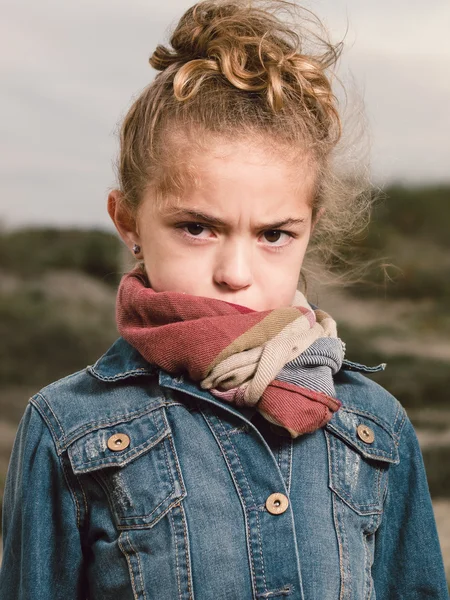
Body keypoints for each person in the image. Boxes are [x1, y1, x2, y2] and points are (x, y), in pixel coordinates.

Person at [0, 0, 448, 598]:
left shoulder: (377, 426)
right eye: (197, 227)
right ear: (128, 220)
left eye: (273, 235)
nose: (235, 273)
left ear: (308, 229)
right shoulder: (66, 429)